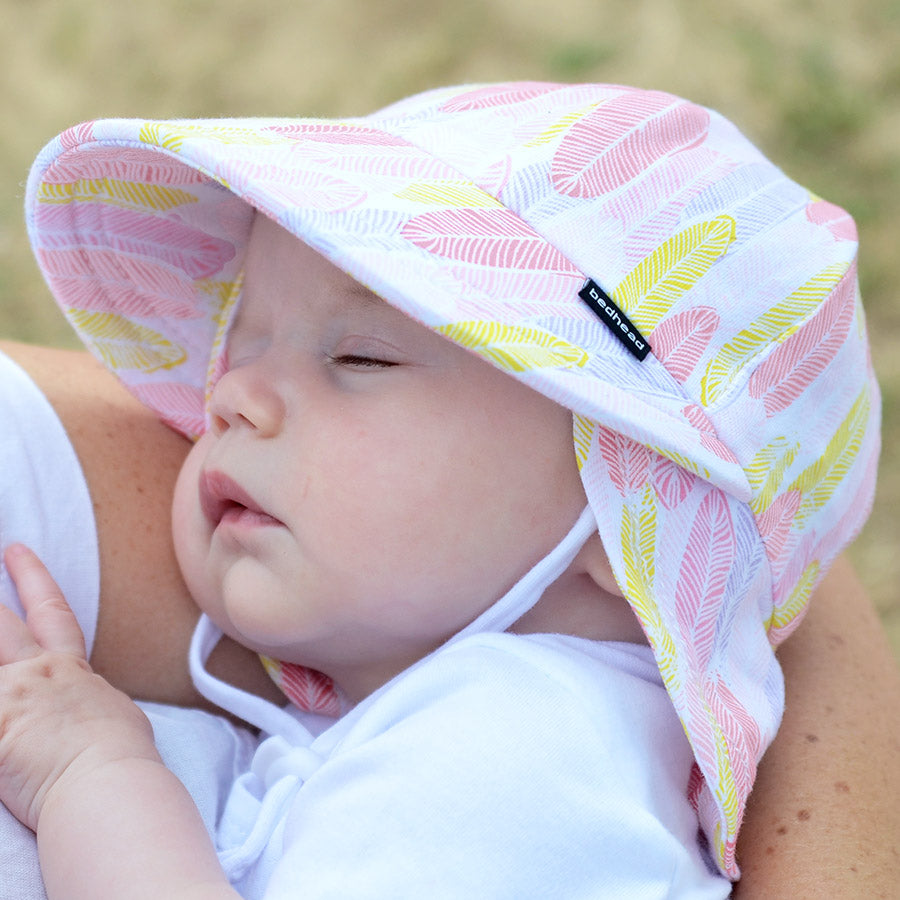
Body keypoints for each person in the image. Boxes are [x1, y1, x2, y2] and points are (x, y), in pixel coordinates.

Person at [0, 81, 888, 898]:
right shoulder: (501, 739)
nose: (230, 396)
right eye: (244, 344)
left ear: (637, 519)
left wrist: (92, 773)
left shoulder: (512, 762)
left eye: (360, 356)